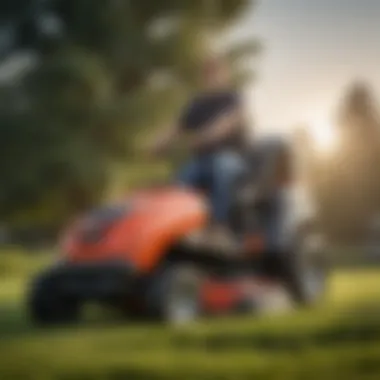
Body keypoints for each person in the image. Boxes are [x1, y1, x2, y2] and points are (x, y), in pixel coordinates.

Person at [146, 56, 248, 253]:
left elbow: (230, 121)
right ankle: (186, 229)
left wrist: (208, 135)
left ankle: (219, 229)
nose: (212, 76)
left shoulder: (234, 98)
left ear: (225, 74)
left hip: (233, 158)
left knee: (221, 167)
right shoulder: (197, 105)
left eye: (216, 72)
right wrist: (157, 144)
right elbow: (175, 128)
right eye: (208, 73)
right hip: (202, 162)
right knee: (181, 179)